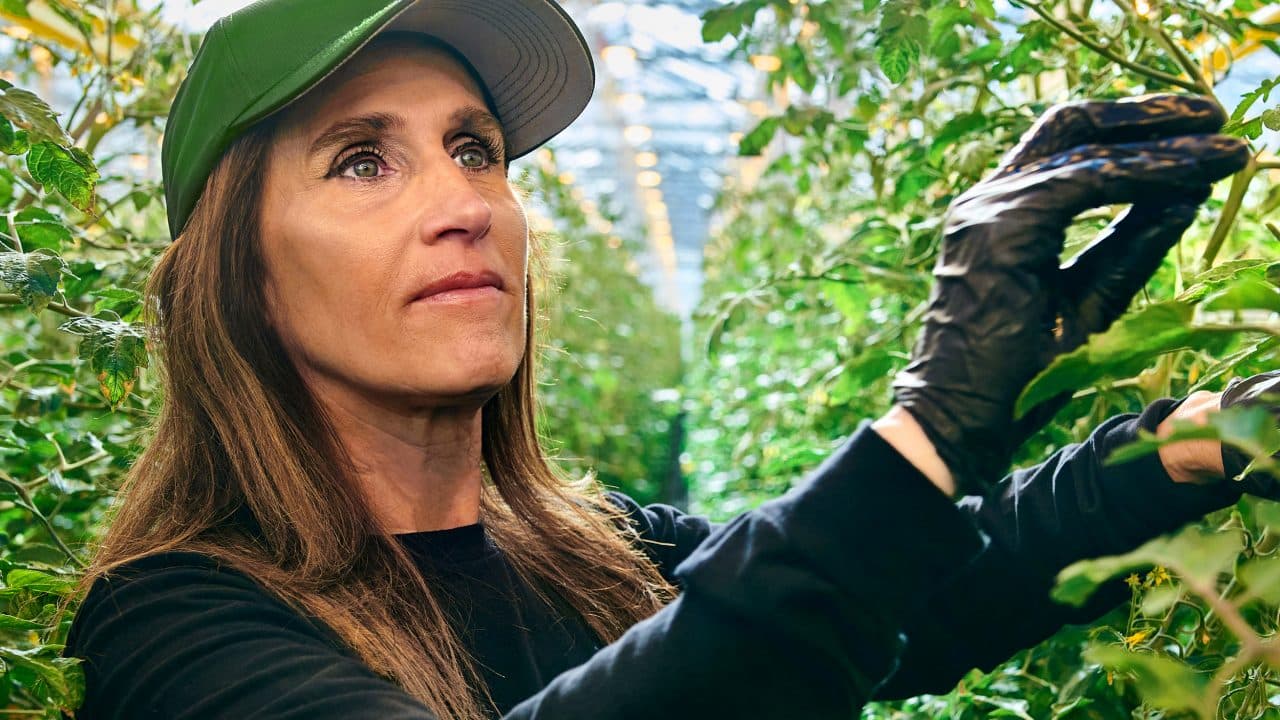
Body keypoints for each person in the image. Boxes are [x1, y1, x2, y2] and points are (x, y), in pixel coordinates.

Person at [57, 1, 1259, 718]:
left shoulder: (591, 548)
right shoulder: (174, 624)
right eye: (361, 160)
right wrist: (925, 425)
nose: (464, 204)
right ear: (242, 277)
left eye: (473, 149)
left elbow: (909, 598)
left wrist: (1185, 446)